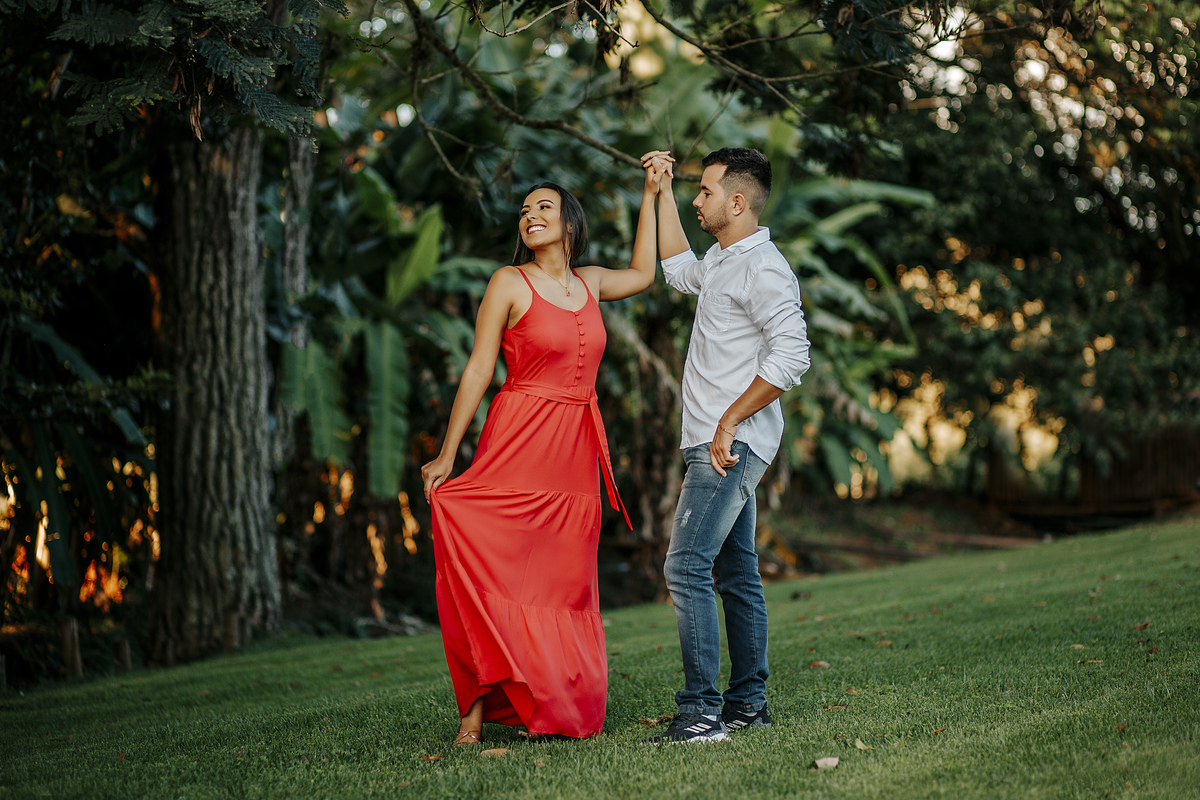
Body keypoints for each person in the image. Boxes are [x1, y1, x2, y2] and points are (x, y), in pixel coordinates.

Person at [421, 160, 671, 744]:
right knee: (496, 564)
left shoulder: (591, 282)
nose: (530, 215)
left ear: (569, 223)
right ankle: (473, 712)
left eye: (543, 207)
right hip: (519, 435)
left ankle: (552, 702)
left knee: (562, 584)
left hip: (575, 451)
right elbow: (479, 368)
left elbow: (644, 272)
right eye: (525, 210)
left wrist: (652, 193)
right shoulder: (509, 282)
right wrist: (447, 454)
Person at [639, 147, 811, 743]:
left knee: (686, 566)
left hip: (728, 446)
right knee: (736, 574)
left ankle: (700, 714)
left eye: (705, 191)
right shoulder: (721, 260)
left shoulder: (764, 268)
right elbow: (675, 267)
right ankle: (747, 706)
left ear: (737, 202)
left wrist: (730, 419)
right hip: (715, 441)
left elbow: (792, 356)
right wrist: (661, 192)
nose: (698, 199)